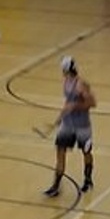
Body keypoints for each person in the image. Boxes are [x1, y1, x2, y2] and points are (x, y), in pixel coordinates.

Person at [43, 56, 95, 198]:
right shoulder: (66, 82)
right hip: (67, 124)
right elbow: (67, 104)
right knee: (60, 152)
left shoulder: (81, 84)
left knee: (86, 152)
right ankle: (56, 185)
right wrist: (58, 120)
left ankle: (88, 179)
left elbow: (92, 103)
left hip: (82, 126)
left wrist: (76, 106)